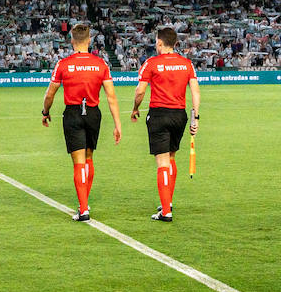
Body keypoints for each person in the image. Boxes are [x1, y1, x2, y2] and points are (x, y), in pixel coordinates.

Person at [43, 24, 121, 221]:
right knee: (88, 158)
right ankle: (85, 202)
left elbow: (50, 93)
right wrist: (117, 124)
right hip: (94, 113)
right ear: (89, 41)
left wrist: (45, 111)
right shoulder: (101, 64)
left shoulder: (64, 64)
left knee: (78, 162)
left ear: (71, 41)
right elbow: (111, 96)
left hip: (73, 113)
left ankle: (84, 208)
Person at [131, 27, 200, 222]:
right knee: (171, 157)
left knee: (162, 162)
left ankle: (166, 212)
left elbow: (140, 91)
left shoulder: (151, 63)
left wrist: (135, 108)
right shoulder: (186, 64)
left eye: (156, 40)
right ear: (175, 43)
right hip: (179, 115)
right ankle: (167, 201)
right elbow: (195, 91)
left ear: (160, 42)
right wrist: (195, 117)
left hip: (159, 114)